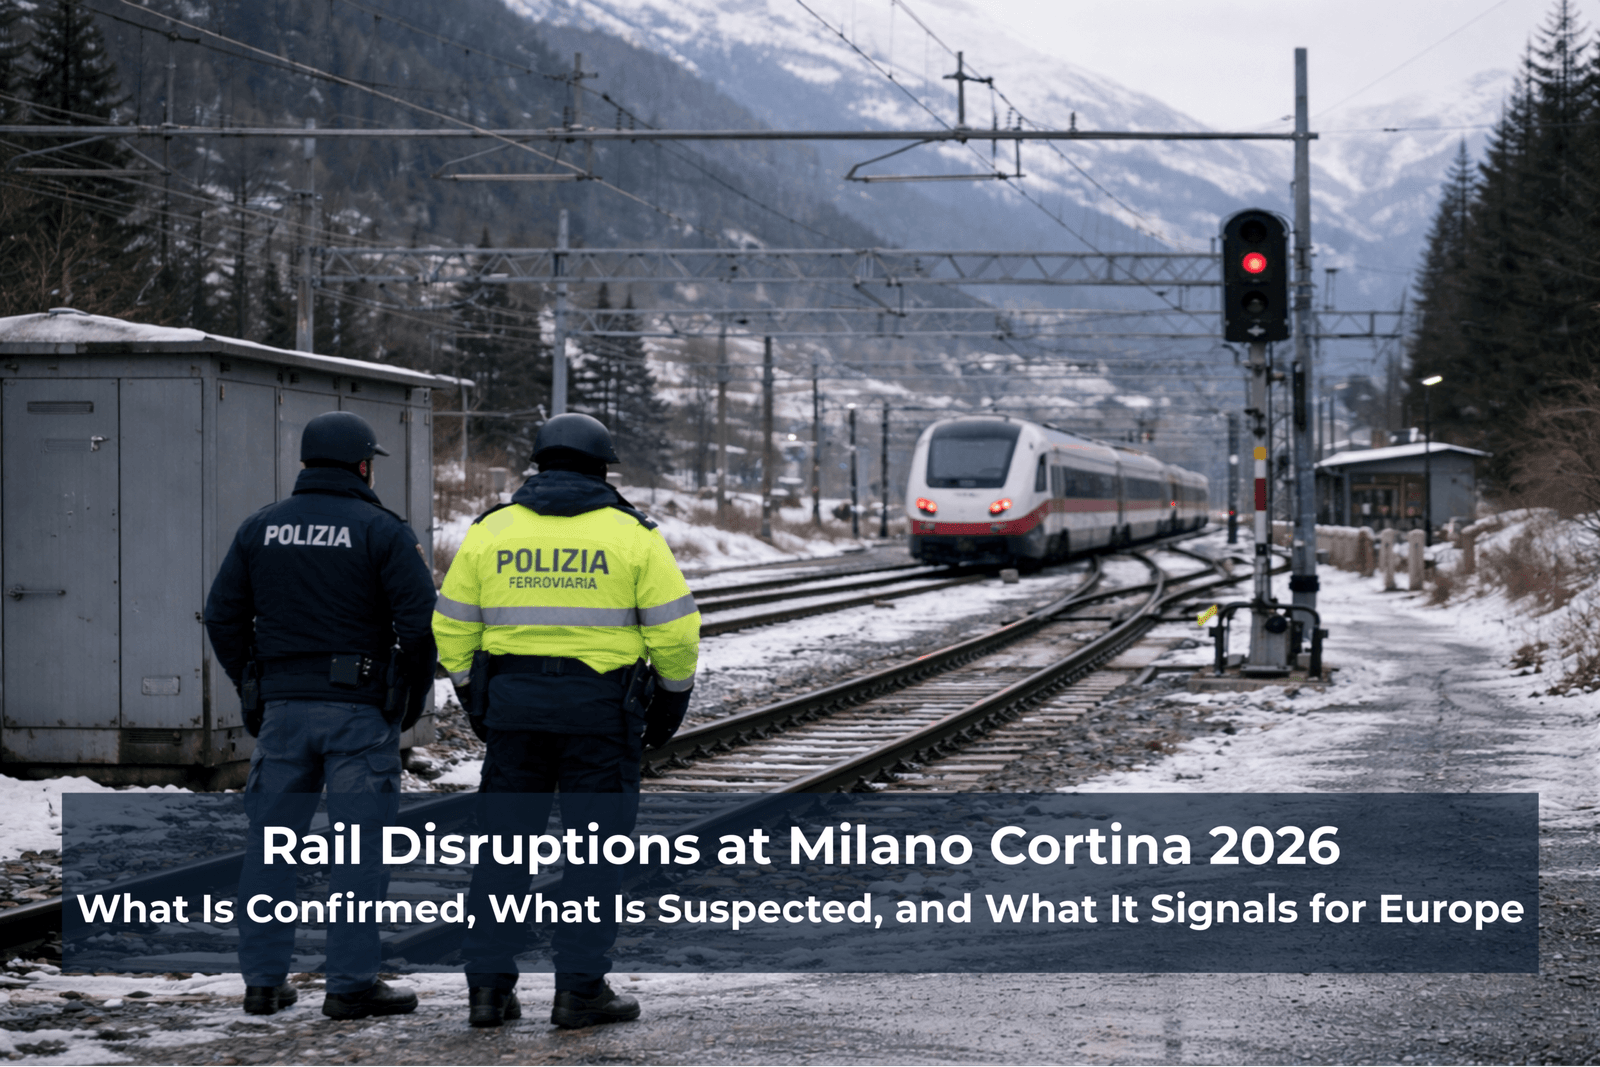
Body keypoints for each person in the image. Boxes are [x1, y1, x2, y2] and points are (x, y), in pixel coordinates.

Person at [432, 413, 699, 1030]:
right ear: (604, 466)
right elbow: (676, 631)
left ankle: (488, 992)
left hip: (515, 714)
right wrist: (670, 702)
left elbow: (451, 625)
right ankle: (579, 991)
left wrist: (476, 696)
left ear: (538, 462)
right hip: (601, 719)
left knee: (502, 854)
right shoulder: (635, 535)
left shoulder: (491, 531)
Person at [205, 411, 438, 1019]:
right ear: (362, 465)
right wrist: (406, 701)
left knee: (271, 848)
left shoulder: (261, 528)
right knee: (358, 853)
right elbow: (418, 626)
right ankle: (351, 986)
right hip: (359, 716)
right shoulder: (382, 531)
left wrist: (254, 686)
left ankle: (263, 983)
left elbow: (223, 616)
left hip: (283, 715)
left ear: (307, 464)